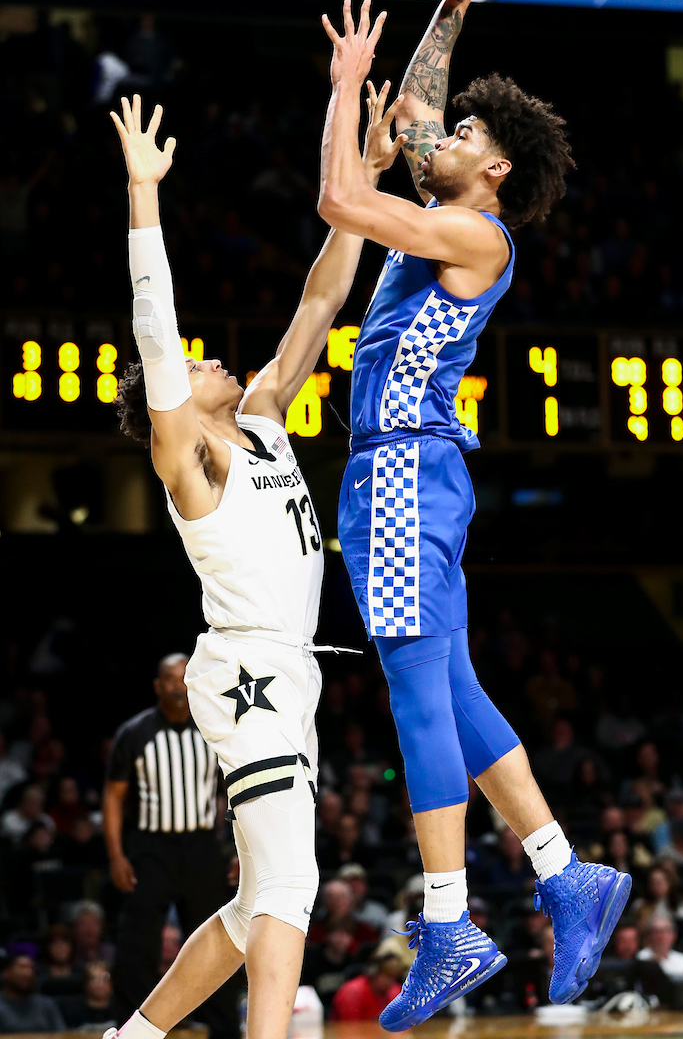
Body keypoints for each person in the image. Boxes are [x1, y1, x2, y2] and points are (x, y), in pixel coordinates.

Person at [317, 0, 629, 1029]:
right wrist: (450, 6)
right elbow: (410, 123)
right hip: (409, 472)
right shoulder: (455, 207)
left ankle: (449, 925)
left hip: (401, 468)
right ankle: (564, 874)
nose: (443, 136)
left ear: (493, 172)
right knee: (451, 692)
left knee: (413, 693)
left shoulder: (467, 232)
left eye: (464, 138)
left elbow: (337, 195)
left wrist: (339, 90)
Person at [104, 88, 401, 1039]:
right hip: (246, 673)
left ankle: (134, 1038)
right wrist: (144, 197)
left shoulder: (265, 417)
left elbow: (323, 295)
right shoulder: (190, 458)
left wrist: (364, 177)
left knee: (251, 911)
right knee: (291, 887)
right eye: (189, 369)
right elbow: (155, 329)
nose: (204, 361)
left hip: (290, 669)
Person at [103, 654, 235, 1035]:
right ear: (158, 686)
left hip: (202, 848)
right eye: (170, 680)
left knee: (217, 941)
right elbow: (113, 797)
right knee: (137, 946)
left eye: (183, 678)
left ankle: (224, 1030)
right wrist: (116, 855)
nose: (178, 686)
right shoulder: (135, 732)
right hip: (151, 848)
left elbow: (235, 792)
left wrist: (238, 851)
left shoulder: (212, 728)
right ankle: (131, 1030)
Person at [329, 949, 403, 1022]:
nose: (391, 982)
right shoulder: (352, 993)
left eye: (395, 978)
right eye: (388, 976)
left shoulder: (395, 992)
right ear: (373, 972)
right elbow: (349, 1029)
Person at [0, 953, 65, 1034]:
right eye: (22, 967)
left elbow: (62, 1035)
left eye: (31, 969)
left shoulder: (46, 1005)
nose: (28, 973)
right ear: (6, 973)